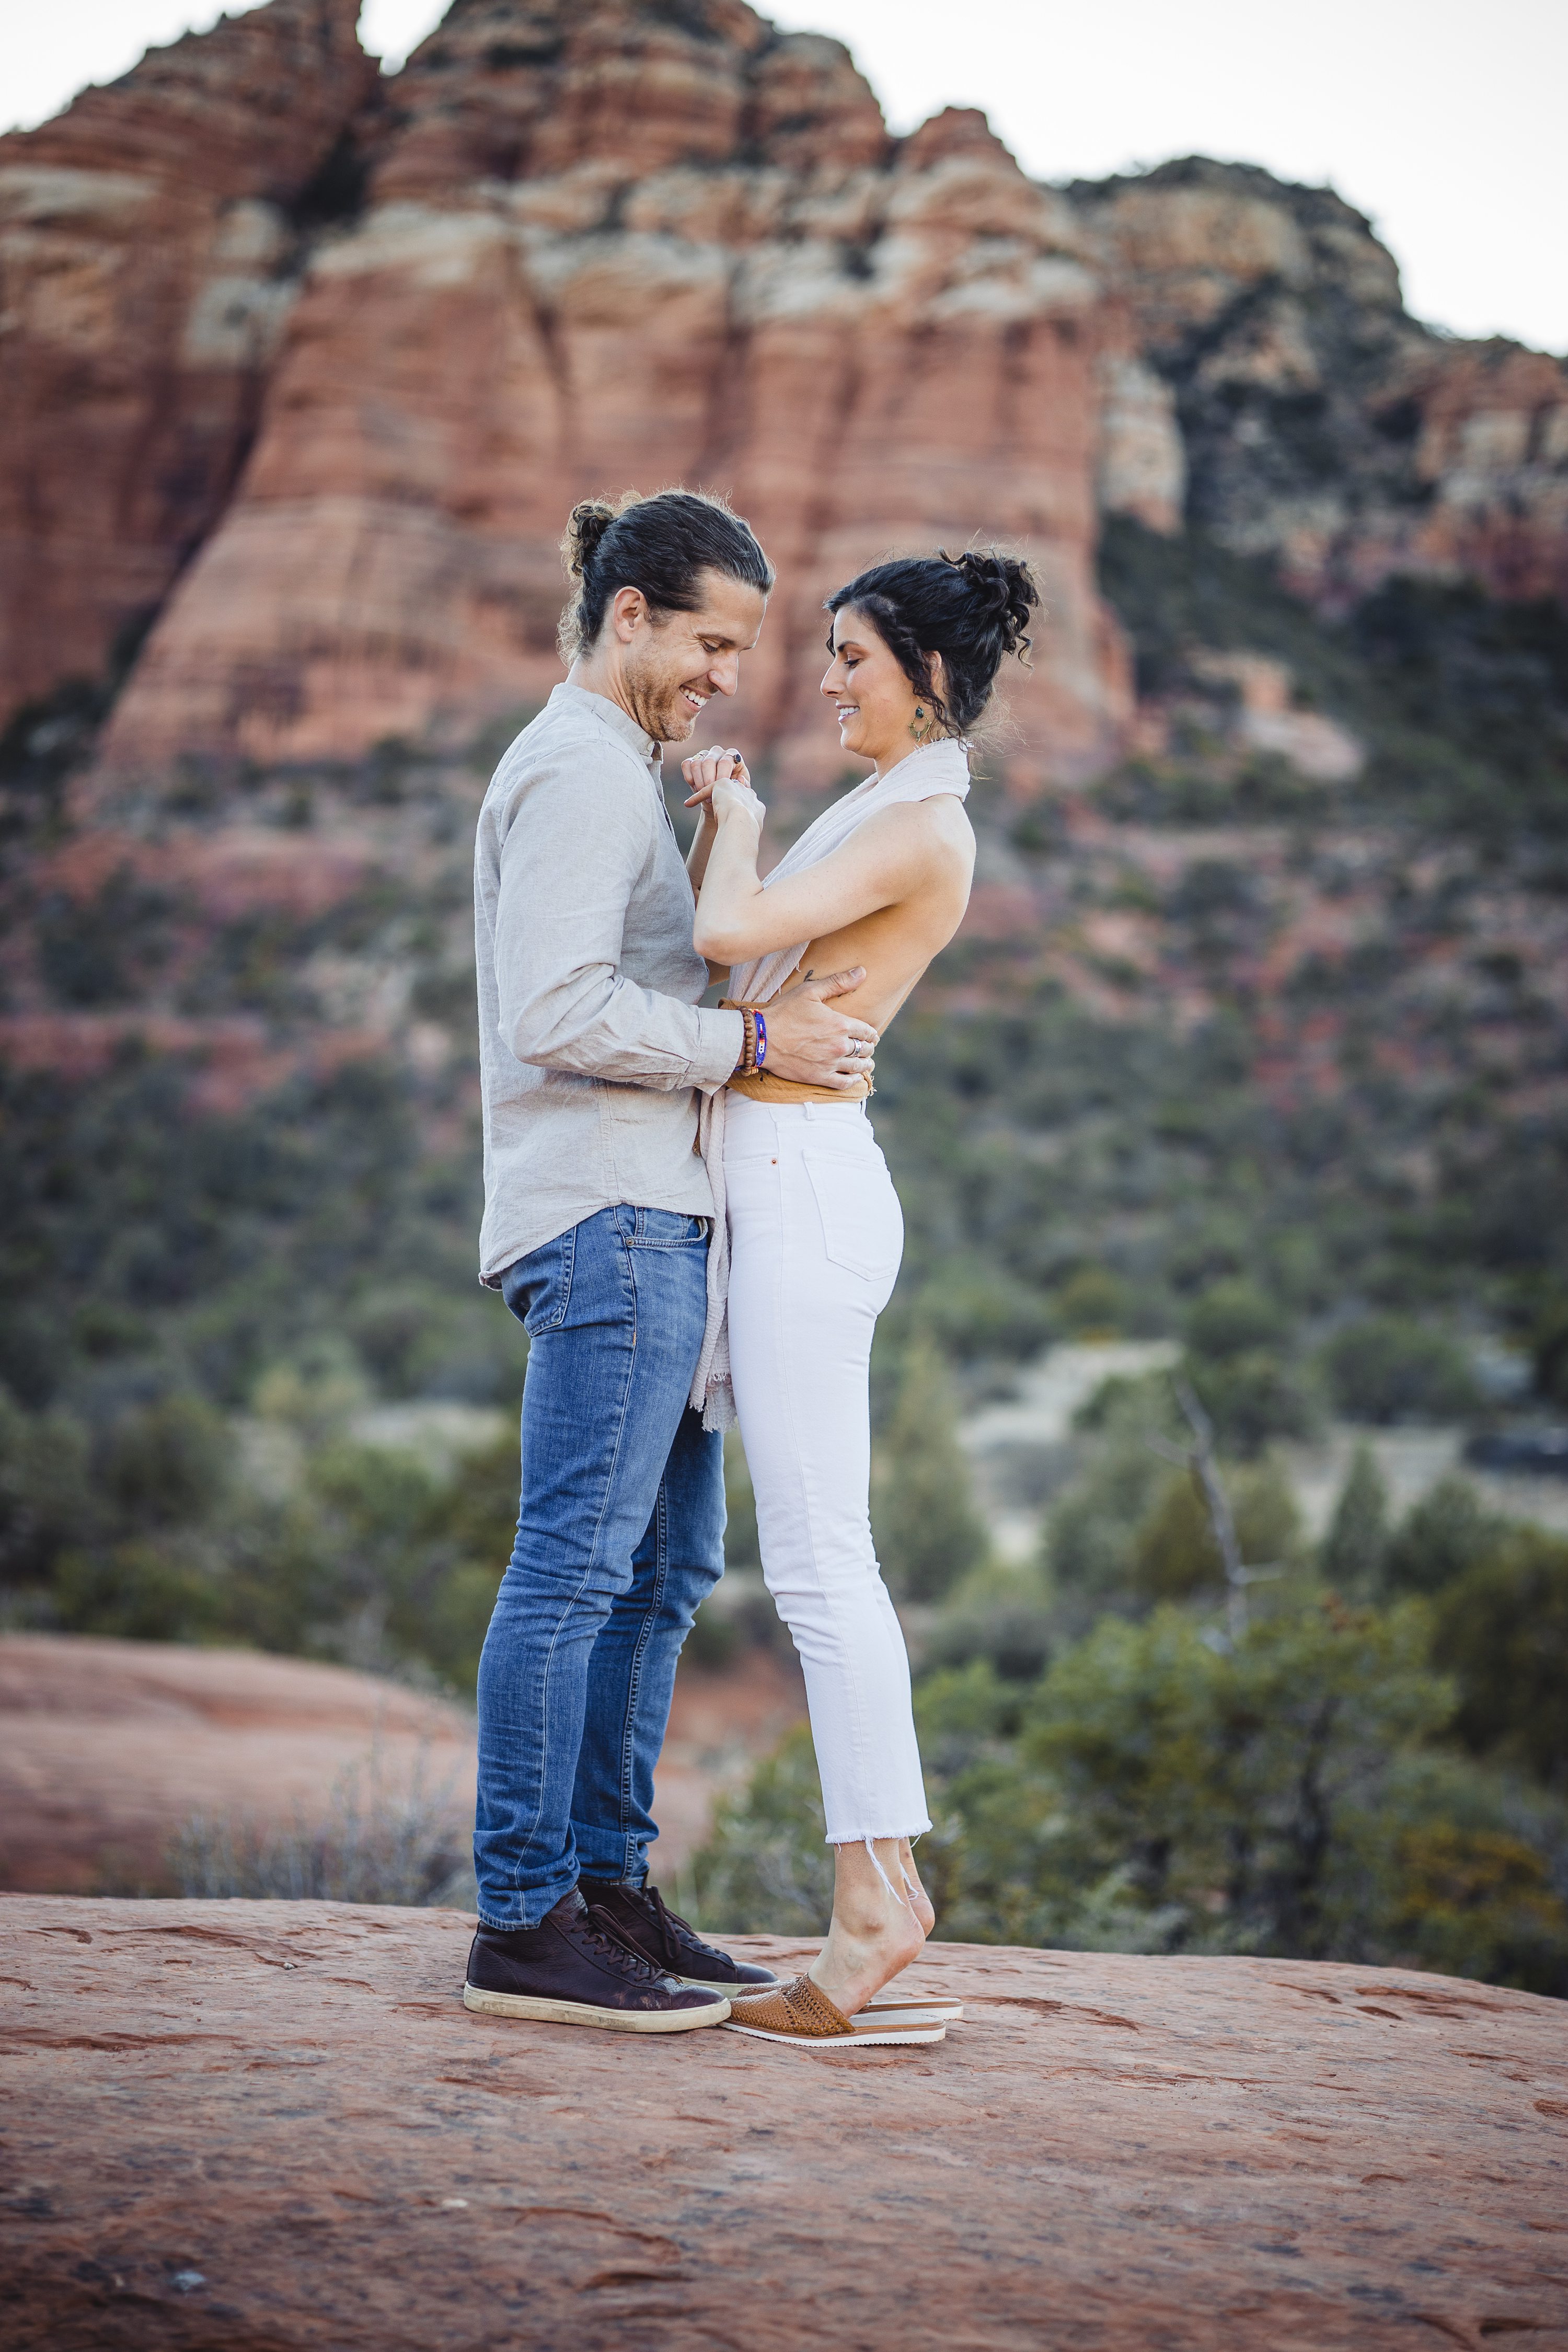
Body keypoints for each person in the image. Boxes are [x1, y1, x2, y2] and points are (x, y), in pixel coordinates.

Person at [463, 489, 882, 2034]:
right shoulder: (575, 770)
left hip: (662, 1218)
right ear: (627, 612)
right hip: (613, 1216)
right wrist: (752, 1040)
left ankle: (607, 1887)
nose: (724, 670)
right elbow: (556, 1011)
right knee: (578, 1568)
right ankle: (523, 1916)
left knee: (661, 1573)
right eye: (709, 638)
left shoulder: (621, 775)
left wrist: (723, 840)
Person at [681, 548, 1041, 2049]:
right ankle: (877, 1885)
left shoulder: (916, 824)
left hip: (809, 1190)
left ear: (930, 677)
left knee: (825, 1567)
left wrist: (737, 820)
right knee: (817, 1560)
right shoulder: (894, 806)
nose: (826, 679)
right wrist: (755, 1038)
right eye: (829, 654)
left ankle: (879, 1904)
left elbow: (722, 941)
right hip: (785, 1172)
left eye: (853, 657)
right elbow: (750, 1003)